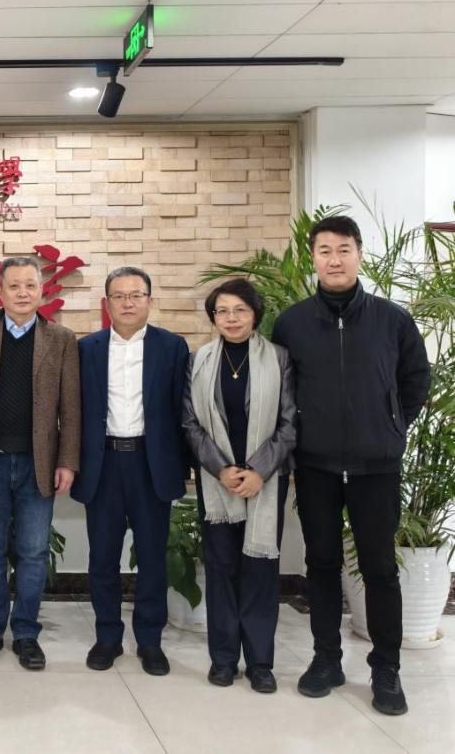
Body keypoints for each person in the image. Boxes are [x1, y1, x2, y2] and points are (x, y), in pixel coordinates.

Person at [272, 214, 430, 716]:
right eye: (324, 251)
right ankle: (326, 659)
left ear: (359, 253)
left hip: (376, 467)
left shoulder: (392, 319)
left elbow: (416, 379)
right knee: (321, 565)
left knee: (380, 569)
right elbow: (281, 391)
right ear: (313, 259)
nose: (334, 259)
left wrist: (390, 426)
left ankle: (386, 669)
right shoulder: (292, 323)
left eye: (343, 249)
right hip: (315, 466)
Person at [0, 256, 81, 670]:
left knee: (33, 552)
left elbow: (71, 408)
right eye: (14, 286)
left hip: (38, 464)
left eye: (30, 285)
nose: (23, 293)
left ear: (42, 290)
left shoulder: (61, 339)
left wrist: (67, 461)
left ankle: (26, 632)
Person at [73, 266, 190, 676]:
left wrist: (185, 466)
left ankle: (150, 641)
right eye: (118, 296)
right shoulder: (86, 349)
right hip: (103, 463)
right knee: (102, 557)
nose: (127, 303)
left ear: (150, 301)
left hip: (150, 464)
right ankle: (108, 636)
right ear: (106, 303)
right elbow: (73, 412)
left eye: (136, 295)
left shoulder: (172, 347)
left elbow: (183, 410)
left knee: (153, 556)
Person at [182, 278, 297, 693]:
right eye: (222, 311)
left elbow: (289, 424)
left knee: (260, 571)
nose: (231, 318)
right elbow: (190, 424)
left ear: (255, 314)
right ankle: (224, 659)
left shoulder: (279, 359)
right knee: (221, 569)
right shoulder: (198, 361)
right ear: (213, 317)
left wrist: (259, 471)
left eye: (240, 310)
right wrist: (221, 470)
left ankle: (261, 663)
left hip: (265, 481)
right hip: (218, 484)